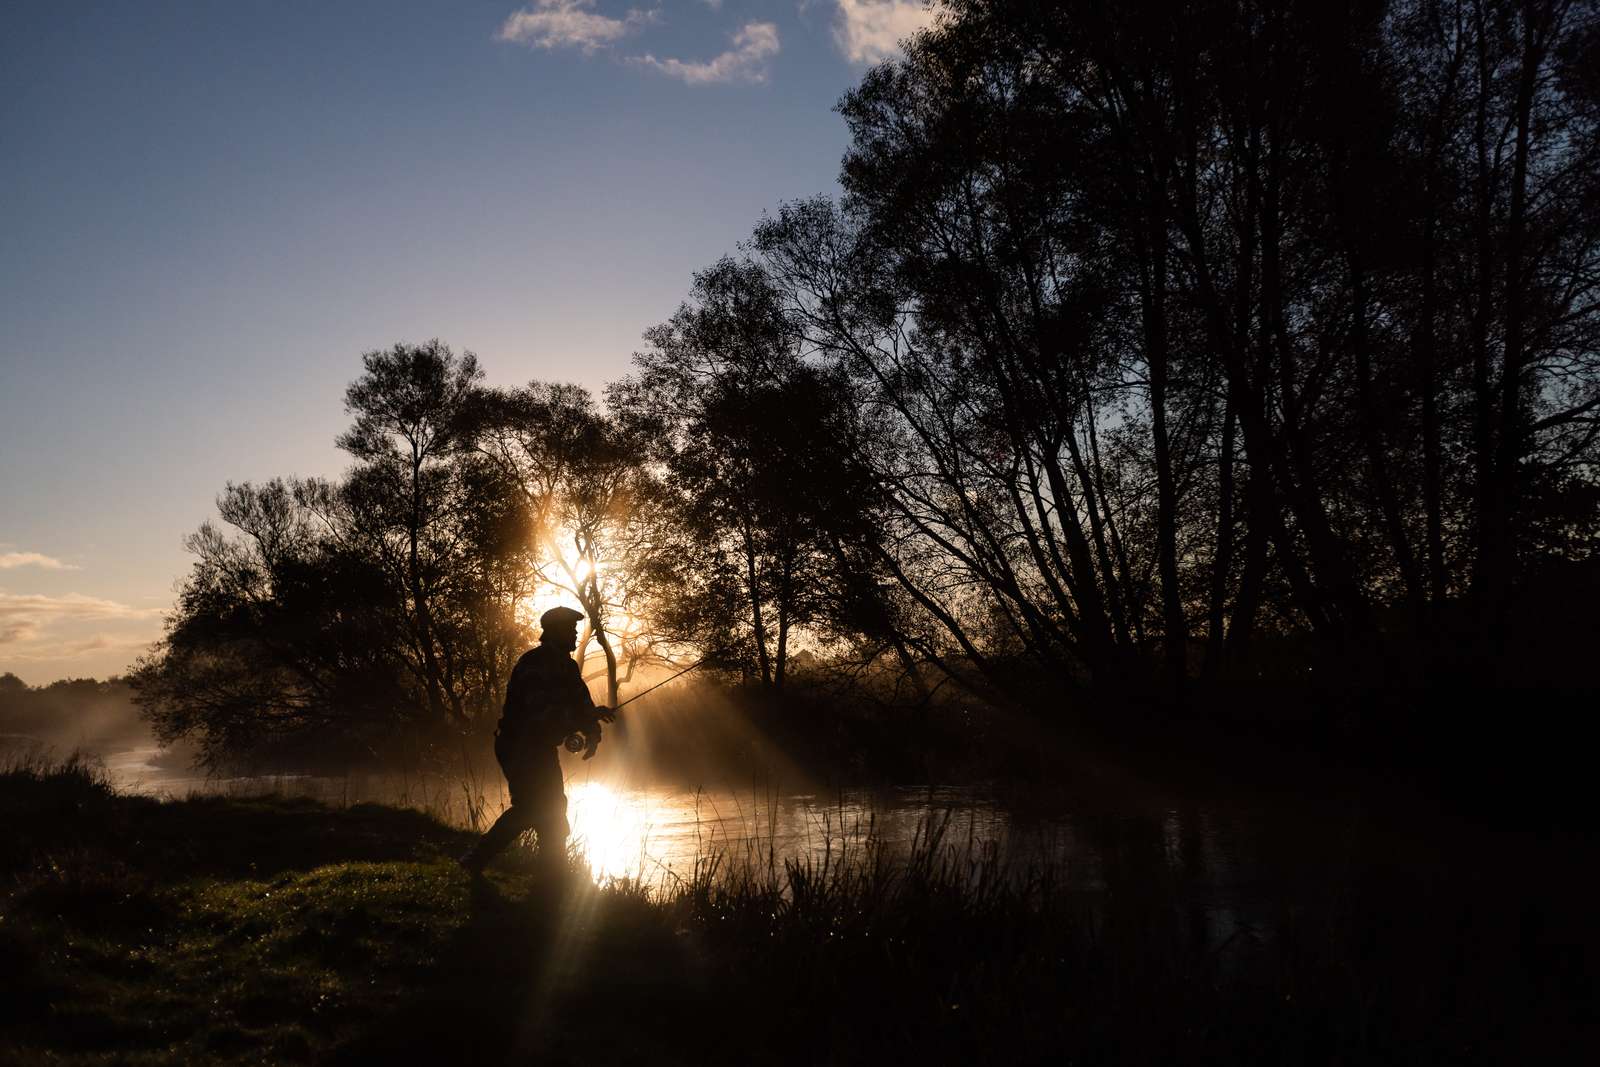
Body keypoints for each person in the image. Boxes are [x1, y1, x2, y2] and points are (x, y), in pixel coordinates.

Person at [459, 605, 613, 875]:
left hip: (541, 749)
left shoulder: (568, 666)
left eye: (575, 629)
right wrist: (585, 717)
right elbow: (542, 714)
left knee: (554, 807)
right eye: (570, 629)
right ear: (554, 632)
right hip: (517, 746)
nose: (575, 634)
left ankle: (552, 873)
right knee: (529, 807)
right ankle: (476, 859)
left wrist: (593, 733)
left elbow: (582, 704)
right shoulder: (532, 664)